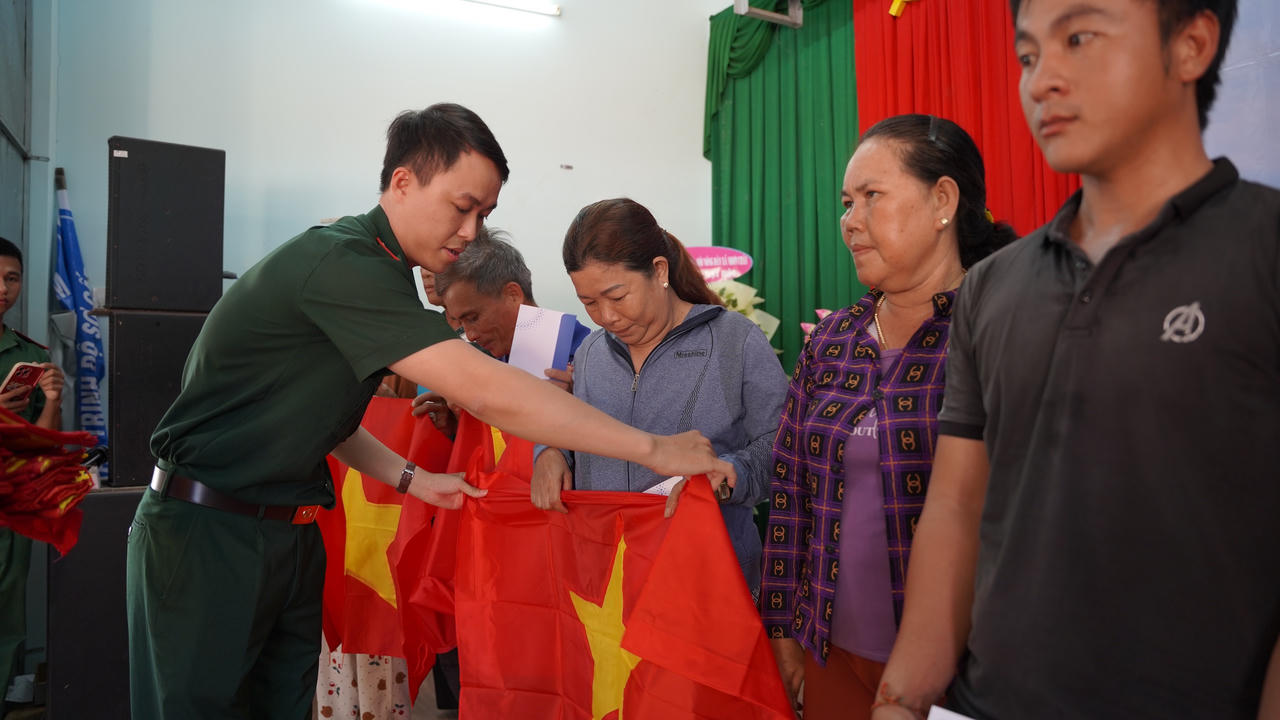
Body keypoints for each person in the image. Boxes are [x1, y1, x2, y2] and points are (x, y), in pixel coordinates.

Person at [127, 104, 733, 720]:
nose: (471, 231)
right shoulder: (343, 264)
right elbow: (487, 390)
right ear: (402, 182)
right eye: (461, 206)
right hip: (211, 530)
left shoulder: (383, 272)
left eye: (484, 214)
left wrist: (415, 479)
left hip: (288, 532)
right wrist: (655, 448)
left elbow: (325, 422)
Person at [871, 2, 1280, 718]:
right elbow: (958, 509)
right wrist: (901, 700)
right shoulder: (992, 287)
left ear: (1191, 44)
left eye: (1079, 39)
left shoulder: (1264, 250)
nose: (1042, 81)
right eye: (1028, 56)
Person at [760, 116, 1015, 720]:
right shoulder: (833, 338)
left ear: (942, 201)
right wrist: (783, 627)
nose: (850, 220)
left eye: (871, 196)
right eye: (846, 203)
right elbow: (790, 491)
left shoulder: (999, 328)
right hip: (831, 652)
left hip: (964, 666)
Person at [530, 198, 788, 600]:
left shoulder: (734, 341)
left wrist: (730, 473)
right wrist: (550, 452)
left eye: (617, 296)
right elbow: (579, 430)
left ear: (660, 271)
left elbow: (784, 446)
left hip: (705, 582)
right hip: (607, 582)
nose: (606, 317)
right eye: (589, 302)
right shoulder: (591, 352)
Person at [414, 228, 592, 435]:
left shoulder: (587, 360)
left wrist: (579, 409)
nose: (470, 335)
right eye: (462, 322)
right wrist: (460, 427)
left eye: (473, 318)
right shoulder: (500, 361)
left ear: (512, 295)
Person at [0, 237, 65, 715]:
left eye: (12, 278)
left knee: (6, 625)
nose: (3, 288)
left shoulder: (27, 355)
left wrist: (54, 401)